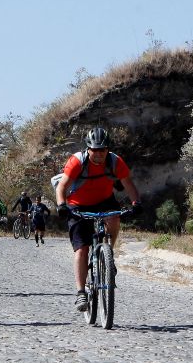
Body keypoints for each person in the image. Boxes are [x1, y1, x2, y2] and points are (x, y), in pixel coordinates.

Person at [55, 126, 142, 312]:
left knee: (115, 218)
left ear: (107, 149)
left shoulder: (115, 161)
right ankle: (81, 293)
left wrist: (136, 203)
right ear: (88, 148)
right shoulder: (77, 161)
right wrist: (61, 205)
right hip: (77, 204)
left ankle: (108, 254)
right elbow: (62, 187)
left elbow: (128, 184)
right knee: (82, 249)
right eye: (95, 150)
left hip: (104, 201)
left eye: (102, 150)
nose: (99, 154)